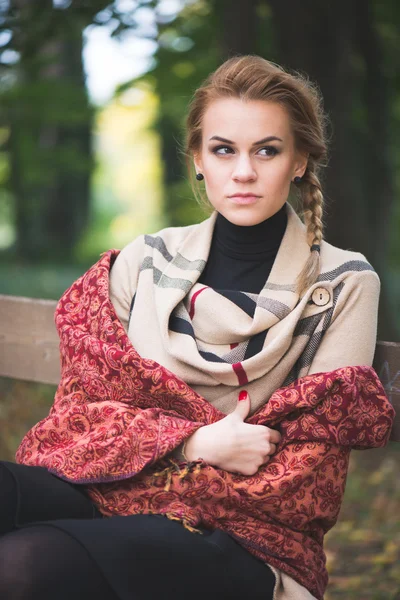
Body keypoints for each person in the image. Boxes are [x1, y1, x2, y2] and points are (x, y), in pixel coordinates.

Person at [0, 55, 394, 600]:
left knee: (24, 566)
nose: (244, 172)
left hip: (246, 538)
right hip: (112, 492)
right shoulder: (142, 264)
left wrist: (141, 441)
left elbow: (304, 481)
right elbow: (77, 421)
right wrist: (192, 442)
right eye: (224, 149)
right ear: (199, 159)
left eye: (268, 150)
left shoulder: (343, 283)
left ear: (300, 160)